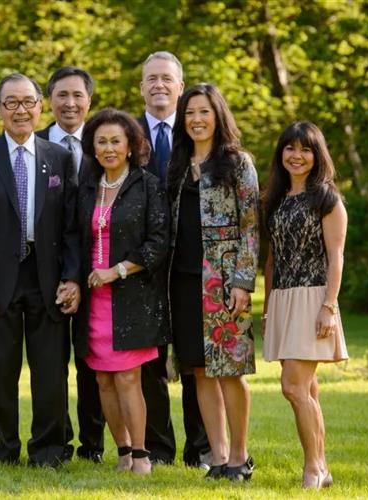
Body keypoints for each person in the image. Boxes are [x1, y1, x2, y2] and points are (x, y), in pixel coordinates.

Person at [0, 73, 80, 467]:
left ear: (40, 106)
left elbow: (72, 226)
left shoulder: (59, 158)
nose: (21, 110)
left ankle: (48, 450)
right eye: (11, 102)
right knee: (1, 371)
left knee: (51, 372)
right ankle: (6, 449)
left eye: (28, 101)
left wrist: (72, 277)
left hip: (48, 277)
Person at [166, 83, 259, 481]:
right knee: (201, 370)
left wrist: (243, 281)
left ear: (218, 116)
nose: (196, 120)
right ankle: (218, 457)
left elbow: (251, 227)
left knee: (229, 370)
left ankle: (240, 457)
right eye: (189, 113)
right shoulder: (177, 164)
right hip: (182, 283)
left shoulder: (238, 163)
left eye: (204, 111)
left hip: (223, 283)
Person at [73, 108, 170, 475]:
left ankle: (142, 454)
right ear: (93, 147)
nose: (109, 148)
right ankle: (124, 451)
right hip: (93, 300)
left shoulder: (147, 186)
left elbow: (158, 243)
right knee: (102, 378)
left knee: (128, 377)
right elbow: (73, 238)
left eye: (116, 141)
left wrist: (117, 271)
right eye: (102, 141)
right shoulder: (87, 188)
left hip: (132, 296)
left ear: (130, 146)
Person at [262, 121, 348, 489]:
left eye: (305, 149)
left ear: (317, 155)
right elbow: (271, 261)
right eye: (290, 148)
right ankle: (321, 467)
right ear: (281, 153)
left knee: (293, 388)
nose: (297, 156)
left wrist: (329, 306)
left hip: (314, 298)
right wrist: (268, 309)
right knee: (307, 389)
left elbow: (336, 256)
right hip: (283, 299)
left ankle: (313, 468)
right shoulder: (275, 199)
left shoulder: (326, 198)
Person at [137, 50, 208, 467]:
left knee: (195, 358)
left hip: (189, 268)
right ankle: (158, 448)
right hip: (142, 267)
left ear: (180, 86)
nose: (159, 85)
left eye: (167, 78)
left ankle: (201, 447)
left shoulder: (198, 134)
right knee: (149, 362)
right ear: (141, 87)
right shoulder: (127, 136)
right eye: (152, 78)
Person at [36, 66, 105, 463]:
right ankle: (57, 439)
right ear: (49, 101)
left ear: (89, 101)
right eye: (61, 95)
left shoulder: (104, 145)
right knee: (51, 363)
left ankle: (93, 444)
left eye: (78, 95)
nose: (70, 103)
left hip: (97, 270)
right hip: (45, 272)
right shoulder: (35, 143)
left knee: (91, 361)